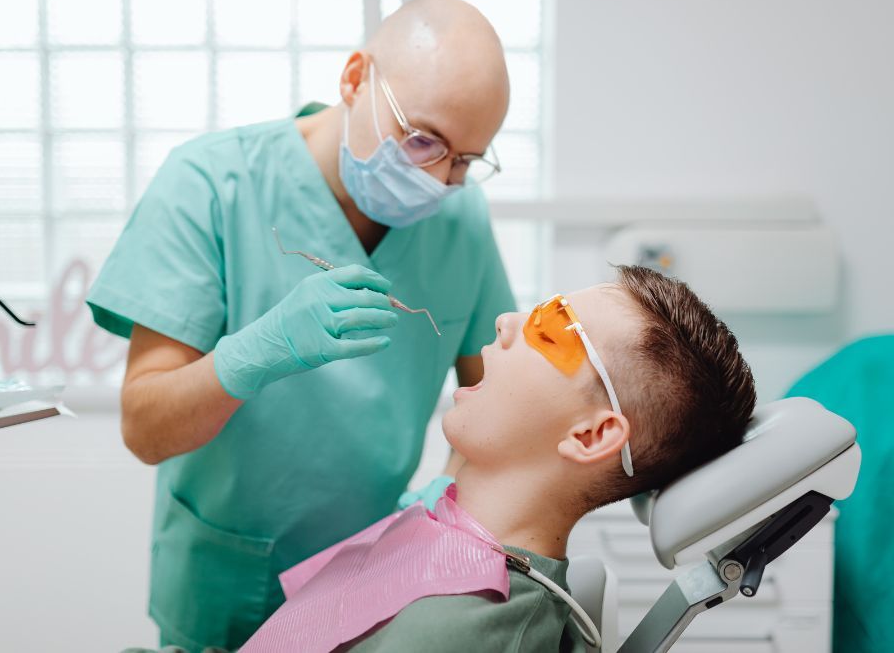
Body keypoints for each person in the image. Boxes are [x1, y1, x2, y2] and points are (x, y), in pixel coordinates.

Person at [87, 0, 514, 650]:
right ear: (353, 79)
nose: (437, 179)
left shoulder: (461, 218)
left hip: (379, 576)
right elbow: (145, 427)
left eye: (462, 161)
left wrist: (443, 509)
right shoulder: (211, 182)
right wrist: (251, 354)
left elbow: (502, 408)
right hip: (227, 576)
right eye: (422, 139)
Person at [240, 266, 758, 652]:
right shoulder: (442, 539)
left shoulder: (457, 630)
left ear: (593, 435)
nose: (507, 321)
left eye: (550, 331)